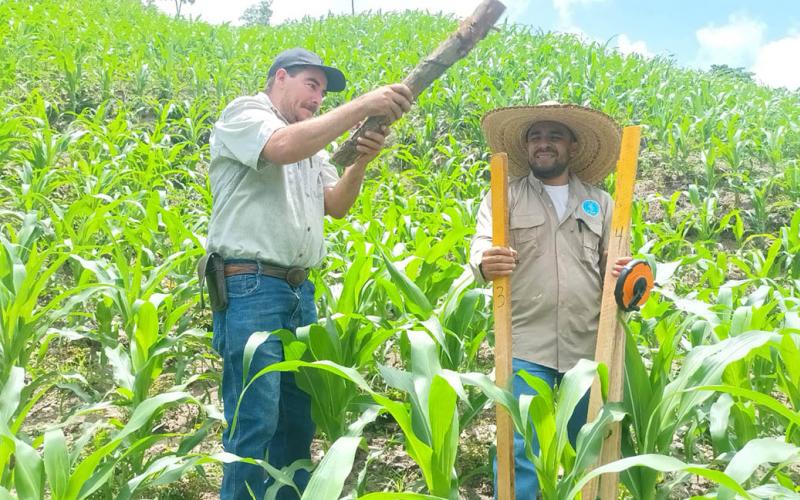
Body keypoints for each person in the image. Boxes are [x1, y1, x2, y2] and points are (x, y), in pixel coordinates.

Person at [204, 47, 412, 499]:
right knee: (254, 419)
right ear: (280, 77)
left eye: (323, 91)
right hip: (250, 286)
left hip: (299, 293)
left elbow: (335, 205)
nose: (318, 98)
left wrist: (360, 160)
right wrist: (362, 106)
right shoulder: (247, 113)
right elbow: (279, 148)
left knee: (297, 419)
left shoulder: (308, 143)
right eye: (311, 86)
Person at [469, 102, 631, 498]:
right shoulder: (502, 196)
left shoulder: (602, 202)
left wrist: (634, 278)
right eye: (535, 136)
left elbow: (618, 263)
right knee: (520, 445)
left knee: (588, 443)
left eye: (554, 136)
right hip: (525, 340)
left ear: (572, 146)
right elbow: (481, 247)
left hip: (588, 341)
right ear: (526, 147)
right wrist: (484, 261)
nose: (544, 144)